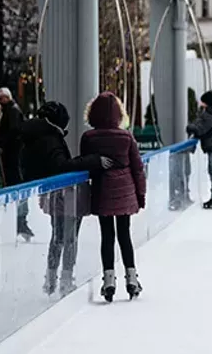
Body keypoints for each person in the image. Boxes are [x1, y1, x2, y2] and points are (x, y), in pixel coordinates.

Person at [19, 101, 110, 296]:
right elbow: (61, 165)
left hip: (53, 196)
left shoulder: (35, 136)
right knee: (69, 238)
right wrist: (92, 161)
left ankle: (50, 280)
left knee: (58, 237)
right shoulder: (50, 138)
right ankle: (65, 281)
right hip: (65, 196)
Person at [80, 93, 147, 300]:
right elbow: (137, 168)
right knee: (124, 235)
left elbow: (85, 165)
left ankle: (108, 280)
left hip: (102, 190)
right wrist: (141, 194)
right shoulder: (126, 136)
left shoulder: (89, 138)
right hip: (125, 190)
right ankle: (132, 278)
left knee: (107, 236)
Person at [0, 88, 33, 239]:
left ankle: (20, 222)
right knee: (18, 189)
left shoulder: (11, 112)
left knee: (17, 188)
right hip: (14, 157)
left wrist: (2, 143)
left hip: (14, 158)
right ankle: (19, 222)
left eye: (2, 98)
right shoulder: (8, 111)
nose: (0, 101)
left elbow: (12, 133)